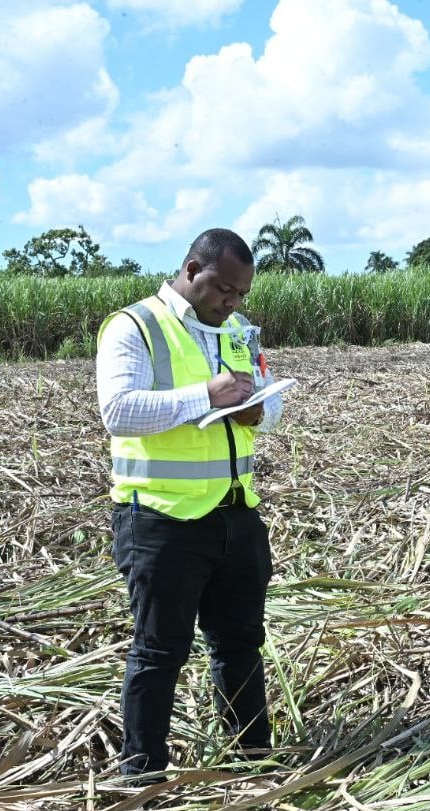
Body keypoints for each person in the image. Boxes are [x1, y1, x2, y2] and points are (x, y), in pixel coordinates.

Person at [96, 228, 284, 778]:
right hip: (160, 518)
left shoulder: (241, 334)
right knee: (160, 651)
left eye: (241, 293)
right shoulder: (134, 326)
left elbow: (267, 403)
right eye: (224, 288)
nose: (233, 301)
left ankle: (253, 761)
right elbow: (119, 411)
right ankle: (143, 776)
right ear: (191, 269)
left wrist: (257, 411)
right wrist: (205, 395)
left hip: (234, 513)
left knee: (241, 644)